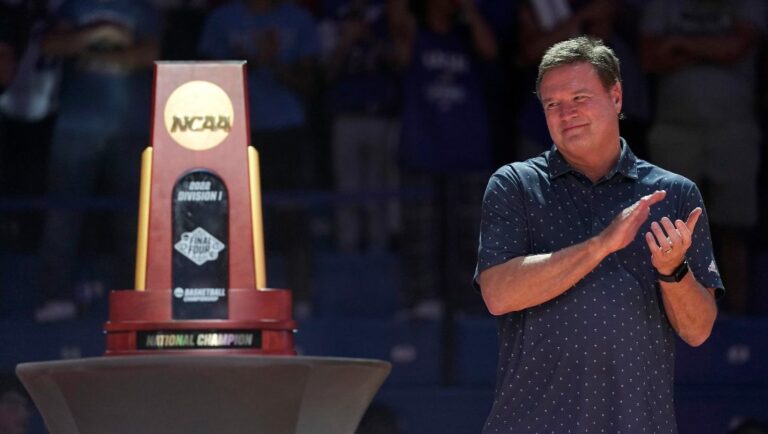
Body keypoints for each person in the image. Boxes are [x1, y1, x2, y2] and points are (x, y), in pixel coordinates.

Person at [474, 36, 721, 432]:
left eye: (579, 98)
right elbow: (498, 294)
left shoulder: (674, 193)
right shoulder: (515, 185)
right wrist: (602, 244)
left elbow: (697, 330)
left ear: (617, 96)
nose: (565, 113)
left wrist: (673, 271)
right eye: (552, 104)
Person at [34, 0, 160, 322]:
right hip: (76, 125)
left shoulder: (142, 8)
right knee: (63, 214)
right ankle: (55, 296)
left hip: (130, 126)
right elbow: (51, 44)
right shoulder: (75, 6)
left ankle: (133, 302)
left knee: (134, 218)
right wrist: (99, 33)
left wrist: (89, 48)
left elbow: (149, 54)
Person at [640, 0, 765, 314]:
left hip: (732, 127)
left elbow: (736, 47)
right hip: (674, 128)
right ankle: (678, 320)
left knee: (733, 231)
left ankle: (739, 329)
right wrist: (711, 49)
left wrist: (679, 44)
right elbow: (650, 56)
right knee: (670, 233)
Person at [198, 0, 320, 317]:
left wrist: (275, 62)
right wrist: (248, 61)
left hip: (287, 130)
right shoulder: (222, 19)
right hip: (233, 129)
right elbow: (203, 82)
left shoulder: (298, 19)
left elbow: (312, 85)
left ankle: (301, 298)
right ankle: (232, 298)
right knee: (233, 217)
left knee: (292, 215)